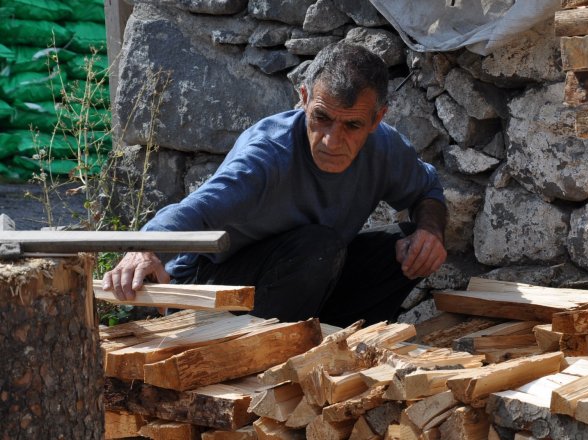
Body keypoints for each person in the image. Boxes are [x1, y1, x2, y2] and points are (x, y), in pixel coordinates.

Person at [102, 42, 448, 326]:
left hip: (301, 280)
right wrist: (144, 246)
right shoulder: (267, 156)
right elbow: (198, 210)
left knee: (406, 246)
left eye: (351, 126)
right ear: (304, 98)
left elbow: (426, 191)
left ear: (377, 119)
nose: (331, 140)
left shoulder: (385, 149)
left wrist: (430, 232)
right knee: (319, 247)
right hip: (214, 283)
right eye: (321, 118)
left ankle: (337, 344)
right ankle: (268, 357)